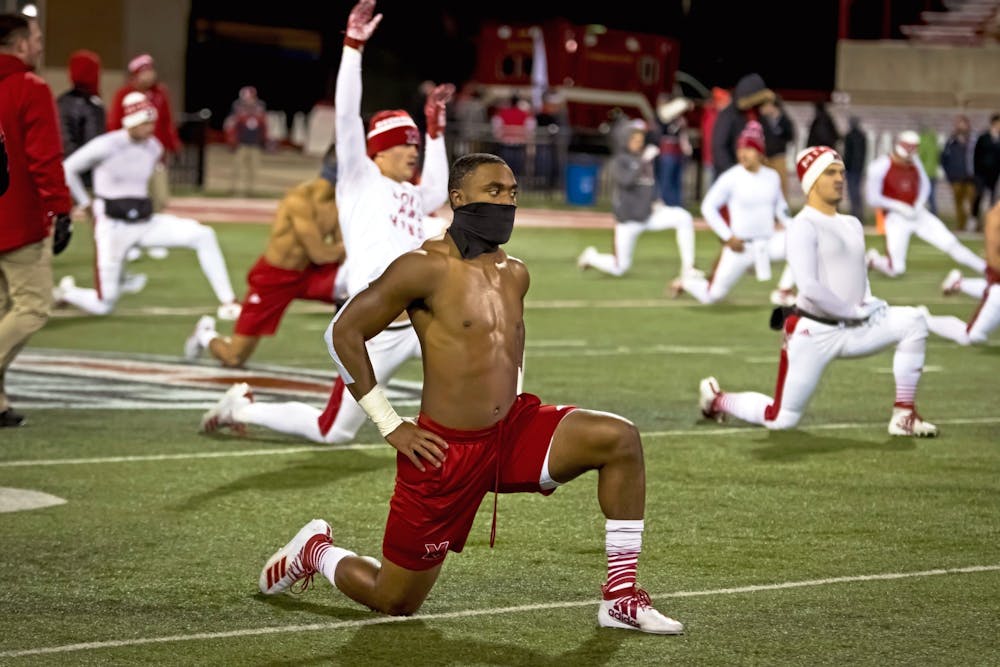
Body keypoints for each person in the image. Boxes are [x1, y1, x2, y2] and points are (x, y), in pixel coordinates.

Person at [256, 149, 685, 635]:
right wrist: (390, 424)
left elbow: (512, 349)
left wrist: (512, 405)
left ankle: (621, 597)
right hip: (443, 454)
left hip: (510, 432)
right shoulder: (422, 267)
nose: (507, 203)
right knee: (394, 600)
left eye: (513, 193)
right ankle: (316, 551)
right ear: (458, 199)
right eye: (494, 192)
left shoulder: (515, 272)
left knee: (620, 439)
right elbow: (342, 333)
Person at [199, 0, 453, 445]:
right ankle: (241, 407)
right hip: (375, 330)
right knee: (332, 430)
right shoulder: (360, 178)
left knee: (482, 364)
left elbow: (437, 186)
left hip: (422, 320)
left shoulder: (411, 192)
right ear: (377, 149)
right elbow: (345, 114)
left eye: (414, 144)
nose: (412, 151)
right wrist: (353, 48)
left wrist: (436, 132)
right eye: (403, 143)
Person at [698, 145, 938, 437]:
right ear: (811, 180)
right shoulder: (803, 225)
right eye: (829, 172)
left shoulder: (852, 223)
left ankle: (904, 415)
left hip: (857, 328)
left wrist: (870, 302)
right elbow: (810, 287)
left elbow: (859, 276)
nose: (839, 179)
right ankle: (717, 399)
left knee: (913, 321)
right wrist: (852, 310)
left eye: (841, 172)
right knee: (781, 419)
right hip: (815, 332)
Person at [54, 92, 241, 320]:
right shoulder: (107, 144)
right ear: (131, 122)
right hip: (113, 226)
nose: (151, 127)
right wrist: (85, 201)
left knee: (204, 235)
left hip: (144, 221)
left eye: (152, 121)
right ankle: (68, 292)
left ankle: (228, 301)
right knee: (104, 305)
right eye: (145, 122)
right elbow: (67, 168)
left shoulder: (154, 147)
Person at [184, 170, 345, 367]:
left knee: (361, 287)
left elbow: (342, 255)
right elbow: (320, 253)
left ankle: (371, 355)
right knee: (234, 358)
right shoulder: (299, 199)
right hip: (274, 278)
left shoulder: (342, 201)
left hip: (309, 274)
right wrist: (348, 248)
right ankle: (205, 335)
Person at [0, 14, 73, 428]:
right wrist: (60, 209)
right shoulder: (29, 87)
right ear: (19, 44)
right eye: (36, 39)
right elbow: (43, 157)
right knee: (32, 307)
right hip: (17, 218)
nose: (40, 45)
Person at [672, 121, 796, 306]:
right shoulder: (731, 177)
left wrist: (796, 228)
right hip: (740, 247)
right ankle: (686, 282)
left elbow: (781, 209)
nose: (743, 154)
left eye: (749, 149)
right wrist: (728, 236)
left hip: (767, 244)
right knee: (711, 297)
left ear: (760, 152)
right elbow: (708, 207)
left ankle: (783, 291)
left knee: (804, 243)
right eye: (740, 149)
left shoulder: (772, 176)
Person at [576, 119, 697, 280]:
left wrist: (656, 200)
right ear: (625, 140)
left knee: (684, 217)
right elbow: (626, 181)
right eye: (634, 140)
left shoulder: (643, 158)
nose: (639, 144)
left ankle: (688, 268)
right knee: (620, 268)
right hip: (629, 219)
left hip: (649, 214)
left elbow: (650, 183)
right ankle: (591, 257)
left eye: (640, 140)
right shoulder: (620, 160)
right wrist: (643, 161)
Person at [864, 130, 986, 278]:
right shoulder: (880, 166)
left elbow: (925, 185)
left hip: (917, 213)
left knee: (951, 244)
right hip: (896, 217)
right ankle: (874, 260)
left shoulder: (915, 161)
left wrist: (919, 203)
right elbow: (873, 197)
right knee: (896, 269)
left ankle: (986, 269)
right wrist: (898, 206)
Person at [108, 53, 180, 260]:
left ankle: (155, 240)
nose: (150, 75)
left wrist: (172, 145)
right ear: (136, 75)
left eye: (151, 70)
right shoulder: (124, 94)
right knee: (133, 199)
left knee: (159, 197)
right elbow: (114, 123)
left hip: (154, 156)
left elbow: (166, 122)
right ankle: (132, 242)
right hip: (130, 157)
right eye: (145, 71)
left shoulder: (160, 94)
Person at [919, 201, 1000, 345]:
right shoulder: (995, 217)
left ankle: (959, 284)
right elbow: (994, 261)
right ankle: (924, 319)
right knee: (972, 336)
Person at [56, 49, 105, 189]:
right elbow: (94, 145)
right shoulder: (93, 105)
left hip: (62, 172)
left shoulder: (61, 101)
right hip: (85, 179)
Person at [710, 73, 775, 179]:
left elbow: (769, 142)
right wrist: (731, 172)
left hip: (753, 175)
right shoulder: (729, 115)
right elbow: (719, 146)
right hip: (729, 175)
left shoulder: (759, 116)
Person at [223, 85, 268, 196]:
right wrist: (232, 140)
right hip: (241, 143)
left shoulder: (260, 108)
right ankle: (233, 188)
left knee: (253, 168)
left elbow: (264, 125)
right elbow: (230, 125)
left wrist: (264, 140)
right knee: (236, 167)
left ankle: (251, 190)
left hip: (255, 143)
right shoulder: (237, 108)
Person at [939, 114, 976, 232]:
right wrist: (949, 174)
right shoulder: (951, 142)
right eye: (959, 124)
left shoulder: (973, 141)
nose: (962, 127)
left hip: (971, 177)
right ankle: (961, 225)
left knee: (972, 202)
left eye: (964, 124)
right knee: (958, 202)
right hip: (956, 177)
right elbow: (943, 159)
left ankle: (973, 225)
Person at [654, 95, 693, 207]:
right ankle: (666, 203)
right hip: (667, 152)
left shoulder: (679, 119)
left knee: (676, 179)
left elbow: (682, 136)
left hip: (677, 152)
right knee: (666, 179)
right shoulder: (661, 116)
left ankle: (676, 204)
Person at [758, 97, 795, 201]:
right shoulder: (762, 120)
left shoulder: (784, 119)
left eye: (766, 105)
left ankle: (782, 210)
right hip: (765, 158)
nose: (763, 108)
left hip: (779, 156)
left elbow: (791, 136)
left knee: (781, 184)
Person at [972, 113, 1000, 228]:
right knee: (979, 195)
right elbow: (976, 155)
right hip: (981, 173)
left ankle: (990, 222)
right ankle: (973, 219)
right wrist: (976, 171)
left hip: (994, 174)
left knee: (993, 198)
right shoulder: (983, 138)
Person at [842, 116, 867, 221]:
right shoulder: (862, 136)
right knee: (857, 191)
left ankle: (854, 213)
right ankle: (859, 213)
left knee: (852, 191)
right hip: (859, 168)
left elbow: (847, 154)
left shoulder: (849, 136)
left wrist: (845, 165)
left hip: (851, 168)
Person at [917, 123, 941, 216]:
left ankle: (919, 215)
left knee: (921, 196)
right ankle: (934, 214)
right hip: (933, 173)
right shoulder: (934, 142)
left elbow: (920, 156)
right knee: (932, 196)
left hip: (924, 173)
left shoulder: (922, 141)